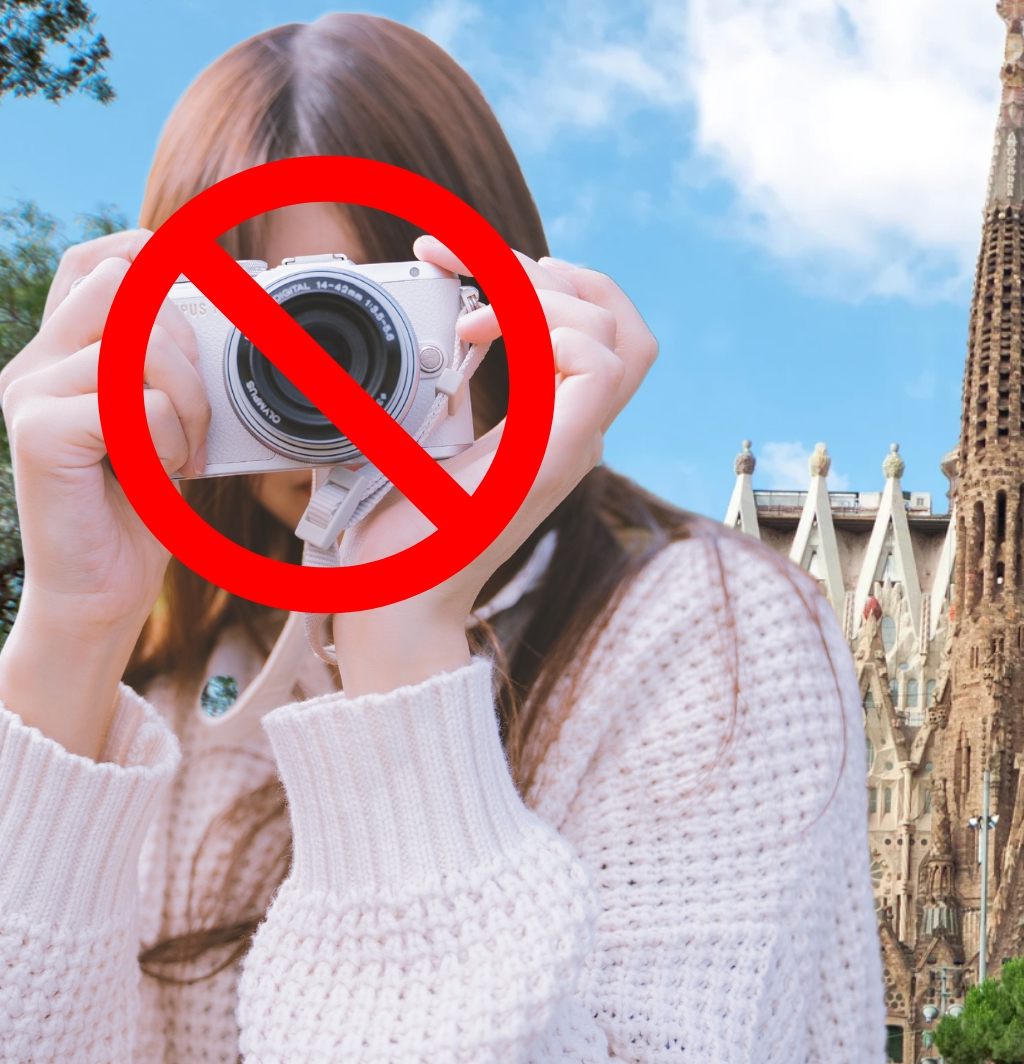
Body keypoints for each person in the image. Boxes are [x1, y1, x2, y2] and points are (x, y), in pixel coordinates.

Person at [0, 13, 883, 1061]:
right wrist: (68, 637)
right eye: (262, 338)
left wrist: (402, 630)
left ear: (481, 298)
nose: (318, 392)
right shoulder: (169, 689)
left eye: (362, 320)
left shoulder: (717, 638)